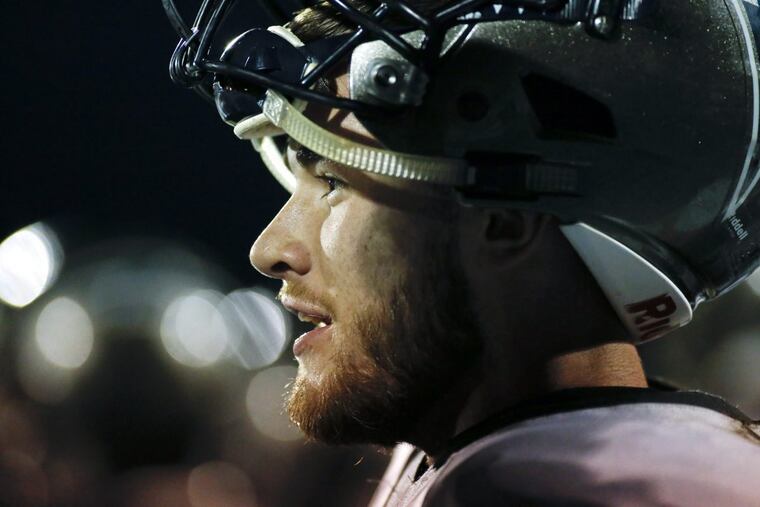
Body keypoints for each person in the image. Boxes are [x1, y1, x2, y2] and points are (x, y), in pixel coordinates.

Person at [163, 0, 760, 504]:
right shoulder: (484, 452)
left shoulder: (568, 488)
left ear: (505, 220)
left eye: (334, 180)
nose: (270, 250)